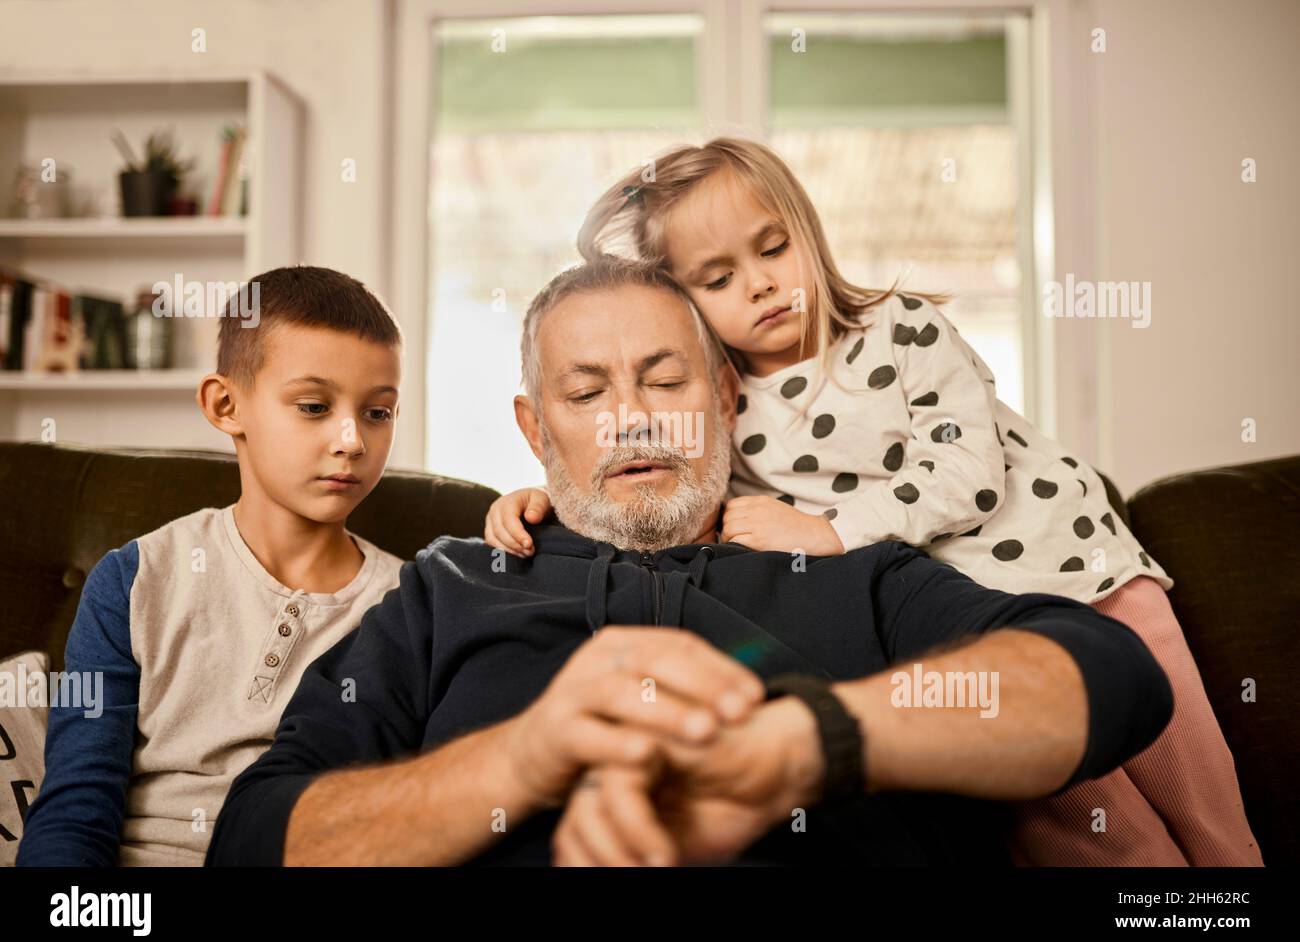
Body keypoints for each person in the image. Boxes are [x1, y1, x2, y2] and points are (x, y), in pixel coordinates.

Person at [206, 255, 1173, 867]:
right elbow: (257, 839)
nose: (631, 416)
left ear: (723, 396)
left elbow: (1111, 676)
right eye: (585, 394)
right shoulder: (452, 582)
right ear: (536, 430)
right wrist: (523, 760)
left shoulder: (851, 567)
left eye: (664, 379)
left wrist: (810, 742)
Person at [485, 138, 1261, 866]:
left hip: (1090, 579)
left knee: (1209, 818)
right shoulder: (728, 412)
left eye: (773, 248)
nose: (758, 284)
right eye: (717, 279)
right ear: (685, 304)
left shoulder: (904, 331)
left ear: (808, 233)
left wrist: (829, 530)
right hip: (983, 633)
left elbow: (969, 476)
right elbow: (668, 503)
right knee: (1104, 840)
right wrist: (547, 496)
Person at [18, 266, 406, 866]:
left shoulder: (410, 604)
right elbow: (75, 802)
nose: (352, 440)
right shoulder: (134, 579)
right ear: (226, 405)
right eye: (313, 406)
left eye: (378, 413)